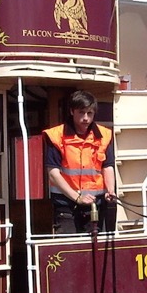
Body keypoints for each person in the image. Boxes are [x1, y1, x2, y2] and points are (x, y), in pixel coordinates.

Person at [43, 90, 116, 234]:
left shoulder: (104, 136)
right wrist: (77, 197)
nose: (86, 118)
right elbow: (53, 174)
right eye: (81, 113)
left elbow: (107, 167)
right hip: (65, 205)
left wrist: (110, 190)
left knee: (96, 251)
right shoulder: (56, 136)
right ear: (72, 111)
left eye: (90, 113)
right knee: (69, 249)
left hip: (95, 205)